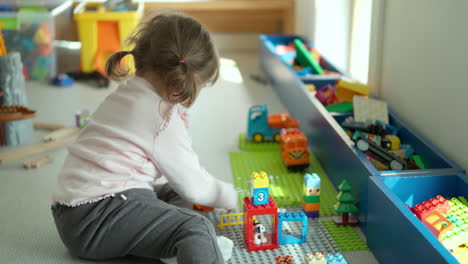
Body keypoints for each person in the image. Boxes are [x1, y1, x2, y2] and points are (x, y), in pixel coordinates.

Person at [51, 9, 237, 264]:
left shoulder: (129, 92)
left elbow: (175, 180)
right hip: (96, 217)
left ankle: (179, 242)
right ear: (184, 83)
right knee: (197, 227)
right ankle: (197, 245)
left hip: (77, 212)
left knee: (175, 193)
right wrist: (233, 197)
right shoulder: (162, 116)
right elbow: (196, 186)